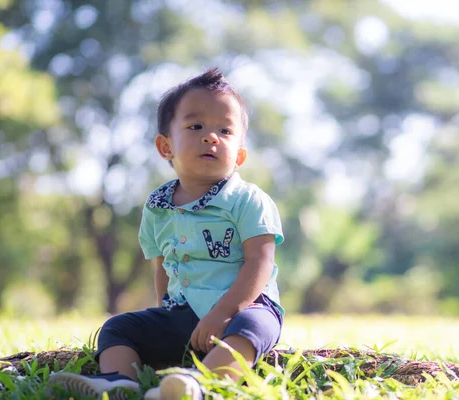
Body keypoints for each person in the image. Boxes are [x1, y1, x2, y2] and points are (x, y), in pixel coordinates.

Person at [48, 68, 285, 400]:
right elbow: (161, 267)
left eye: (225, 130)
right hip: (184, 313)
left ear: (240, 155)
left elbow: (259, 262)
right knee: (118, 327)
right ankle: (120, 381)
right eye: (195, 126)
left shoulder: (247, 199)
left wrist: (223, 313)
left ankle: (200, 385)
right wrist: (164, 315)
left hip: (246, 307)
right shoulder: (157, 206)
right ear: (165, 146)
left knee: (252, 331)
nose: (211, 137)